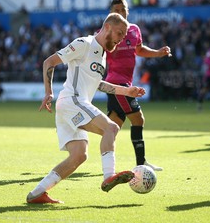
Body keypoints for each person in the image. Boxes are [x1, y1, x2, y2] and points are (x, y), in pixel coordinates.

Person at [26, 13, 146, 204]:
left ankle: (37, 193)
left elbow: (98, 84)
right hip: (72, 100)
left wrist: (127, 91)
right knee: (112, 128)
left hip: (73, 105)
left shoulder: (103, 56)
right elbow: (49, 62)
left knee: (79, 155)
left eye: (123, 36)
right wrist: (48, 92)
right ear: (107, 27)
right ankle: (109, 175)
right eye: (119, 34)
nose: (121, 39)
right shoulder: (84, 44)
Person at [106, 0, 171, 171]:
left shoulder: (134, 30)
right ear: (111, 13)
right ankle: (141, 163)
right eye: (116, 10)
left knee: (112, 127)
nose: (120, 12)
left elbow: (139, 50)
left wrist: (158, 53)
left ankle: (81, 141)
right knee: (138, 119)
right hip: (117, 84)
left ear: (128, 11)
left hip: (125, 83)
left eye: (123, 9)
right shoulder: (106, 31)